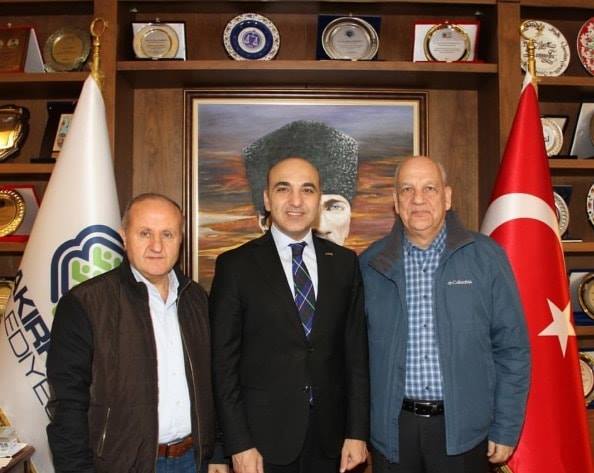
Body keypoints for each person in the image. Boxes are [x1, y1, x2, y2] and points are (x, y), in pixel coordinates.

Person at [359, 156, 530, 473]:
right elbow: (355, 359)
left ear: (447, 197)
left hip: (464, 432)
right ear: (396, 201)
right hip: (393, 433)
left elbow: (512, 349)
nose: (418, 199)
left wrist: (506, 428)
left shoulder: (486, 258)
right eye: (407, 189)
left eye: (430, 188)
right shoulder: (370, 265)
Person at [46, 193, 228, 473]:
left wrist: (217, 452)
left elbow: (215, 382)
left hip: (194, 461)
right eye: (145, 233)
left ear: (180, 239)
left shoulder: (197, 300)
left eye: (167, 234)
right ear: (124, 237)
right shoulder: (85, 303)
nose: (156, 246)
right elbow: (67, 404)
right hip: (121, 464)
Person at [210, 157, 369, 473]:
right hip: (261, 443)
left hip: (331, 441)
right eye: (283, 189)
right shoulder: (235, 266)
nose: (296, 201)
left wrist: (357, 432)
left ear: (318, 199)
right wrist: (236, 443)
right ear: (267, 199)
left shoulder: (344, 263)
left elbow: (356, 356)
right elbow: (223, 365)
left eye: (307, 190)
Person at [242, 120, 358, 245]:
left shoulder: (347, 257)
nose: (321, 227)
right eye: (283, 189)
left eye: (334, 207)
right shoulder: (237, 258)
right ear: (264, 222)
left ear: (349, 218)